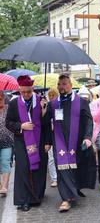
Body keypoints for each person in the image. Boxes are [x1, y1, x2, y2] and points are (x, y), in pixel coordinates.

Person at [43, 74, 96, 212]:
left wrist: (87, 137)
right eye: (60, 84)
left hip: (76, 141)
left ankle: (73, 191)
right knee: (61, 169)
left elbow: (88, 121)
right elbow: (45, 124)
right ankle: (66, 199)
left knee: (73, 168)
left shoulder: (81, 102)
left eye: (65, 83)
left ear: (71, 85)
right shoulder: (53, 104)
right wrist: (47, 141)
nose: (62, 86)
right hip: (59, 140)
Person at [6, 75, 50, 211]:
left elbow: (47, 124)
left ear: (33, 89)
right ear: (19, 90)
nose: (26, 94)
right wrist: (21, 126)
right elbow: (8, 123)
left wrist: (44, 112)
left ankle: (36, 197)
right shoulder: (14, 103)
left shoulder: (41, 101)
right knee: (23, 169)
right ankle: (24, 200)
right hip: (21, 142)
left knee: (38, 169)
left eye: (28, 91)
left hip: (40, 141)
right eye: (23, 92)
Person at [0, 91, 14, 197]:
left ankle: (4, 186)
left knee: (5, 162)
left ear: (3, 98)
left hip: (7, 141)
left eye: (0, 99)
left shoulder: (9, 108)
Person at [47, 88, 59, 188]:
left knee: (60, 156)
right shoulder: (46, 106)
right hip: (49, 136)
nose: (51, 97)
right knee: (51, 158)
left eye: (53, 95)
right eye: (50, 95)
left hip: (58, 135)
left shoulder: (59, 106)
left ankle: (61, 177)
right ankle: (54, 178)